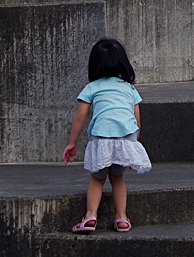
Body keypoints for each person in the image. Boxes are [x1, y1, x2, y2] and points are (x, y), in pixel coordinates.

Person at [63, 37, 151, 232]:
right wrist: (131, 149)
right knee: (118, 178)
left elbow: (80, 116)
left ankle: (90, 216)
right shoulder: (129, 88)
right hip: (125, 138)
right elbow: (136, 120)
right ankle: (121, 218)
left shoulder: (92, 88)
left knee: (97, 178)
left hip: (102, 138)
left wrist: (72, 143)